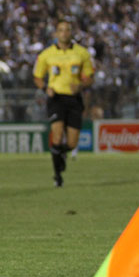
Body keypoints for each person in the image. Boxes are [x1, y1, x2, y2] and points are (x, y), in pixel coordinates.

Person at [33, 20, 94, 187]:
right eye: (61, 30)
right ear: (56, 33)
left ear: (71, 32)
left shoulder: (82, 53)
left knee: (72, 143)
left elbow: (90, 77)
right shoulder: (47, 54)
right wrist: (46, 88)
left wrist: (81, 85)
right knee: (57, 135)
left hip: (74, 99)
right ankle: (57, 176)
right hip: (56, 98)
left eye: (67, 30)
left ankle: (61, 155)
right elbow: (37, 77)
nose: (64, 33)